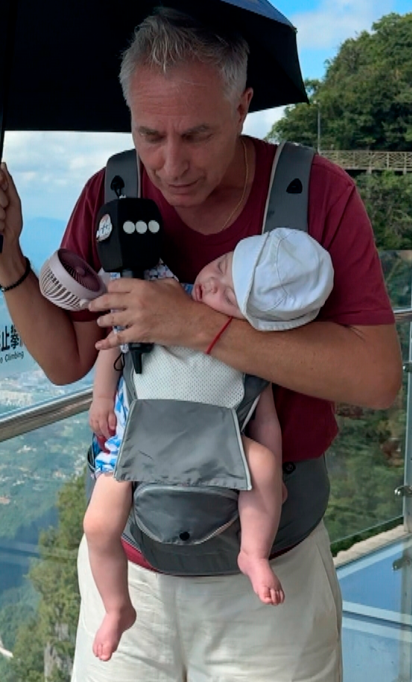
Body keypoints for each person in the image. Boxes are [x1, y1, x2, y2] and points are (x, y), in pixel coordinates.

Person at [0, 7, 399, 680]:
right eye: (150, 134)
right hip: (131, 577)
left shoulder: (316, 196)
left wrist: (197, 325)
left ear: (243, 106)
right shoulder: (112, 194)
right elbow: (65, 359)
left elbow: (376, 377)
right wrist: (6, 254)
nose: (171, 164)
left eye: (197, 134)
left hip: (271, 584)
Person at [80, 228, 333, 661]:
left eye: (229, 296)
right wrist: (102, 397)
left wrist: (271, 476)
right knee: (98, 525)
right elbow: (116, 341)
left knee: (263, 465)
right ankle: (117, 606)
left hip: (218, 439)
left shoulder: (248, 346)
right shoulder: (163, 296)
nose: (212, 284)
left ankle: (253, 553)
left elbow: (264, 418)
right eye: (220, 266)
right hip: (140, 439)